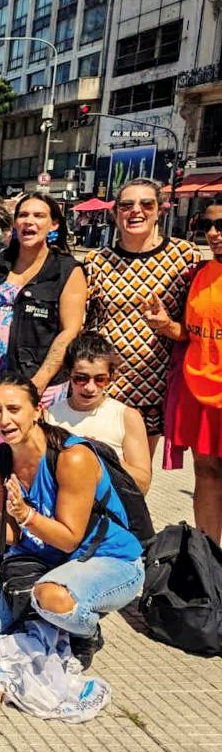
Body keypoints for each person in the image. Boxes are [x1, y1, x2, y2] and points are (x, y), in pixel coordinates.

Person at [0, 373, 145, 662]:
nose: (4, 420)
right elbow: (10, 534)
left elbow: (69, 539)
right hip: (41, 557)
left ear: (37, 411)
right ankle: (48, 611)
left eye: (14, 409)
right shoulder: (1, 457)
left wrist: (26, 515)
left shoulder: (72, 457)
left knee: (52, 599)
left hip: (108, 558)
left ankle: (86, 632)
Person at [84, 178, 200, 449]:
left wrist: (167, 325)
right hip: (102, 384)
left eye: (146, 204)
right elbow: (85, 322)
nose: (136, 211)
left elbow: (193, 330)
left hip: (153, 388)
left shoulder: (185, 256)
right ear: (115, 213)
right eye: (126, 205)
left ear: (160, 209)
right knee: (95, 471)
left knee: (136, 477)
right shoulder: (96, 261)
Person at [0, 193, 86, 403]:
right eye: (23, 215)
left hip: (37, 385)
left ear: (54, 225)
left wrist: (36, 385)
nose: (29, 221)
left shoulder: (67, 270)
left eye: (39, 215)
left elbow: (70, 331)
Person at [153, 200, 222, 539]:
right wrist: (167, 326)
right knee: (207, 473)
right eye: (205, 226)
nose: (212, 234)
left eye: (221, 225)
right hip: (199, 391)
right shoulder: (199, 274)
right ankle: (208, 559)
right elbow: (191, 333)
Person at [45, 332, 151, 494]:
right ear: (69, 374)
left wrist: (104, 457)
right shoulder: (51, 416)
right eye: (81, 378)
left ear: (111, 377)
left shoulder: (126, 417)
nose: (90, 387)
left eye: (100, 379)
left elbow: (143, 485)